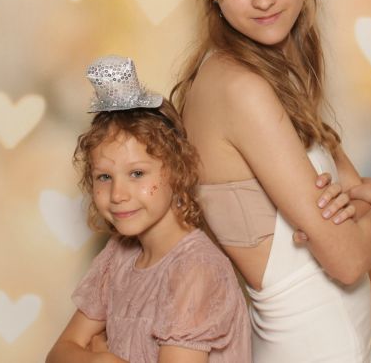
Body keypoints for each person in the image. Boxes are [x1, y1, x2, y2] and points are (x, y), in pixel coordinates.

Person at [171, 0, 371, 362]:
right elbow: (348, 256)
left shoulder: (269, 78)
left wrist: (360, 213)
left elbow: (354, 195)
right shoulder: (241, 90)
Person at [46, 55, 252, 363]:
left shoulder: (196, 270)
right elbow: (58, 354)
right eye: (104, 177)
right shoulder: (118, 255)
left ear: (177, 170)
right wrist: (100, 360)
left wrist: (104, 356)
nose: (117, 194)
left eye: (137, 173)